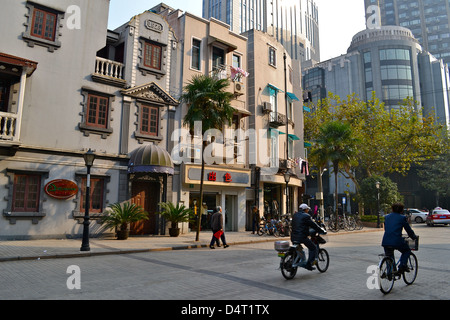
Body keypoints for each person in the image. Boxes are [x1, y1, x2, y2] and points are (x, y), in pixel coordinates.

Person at [382, 203, 418, 273]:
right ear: (401, 211)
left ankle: (390, 272)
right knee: (406, 250)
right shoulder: (402, 218)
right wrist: (413, 237)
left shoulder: (387, 217)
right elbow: (408, 230)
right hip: (396, 240)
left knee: (389, 255)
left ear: (392, 209)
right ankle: (402, 265)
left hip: (386, 241)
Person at [291, 203, 327, 270]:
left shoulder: (295, 215)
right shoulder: (306, 216)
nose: (308, 210)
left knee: (298, 249)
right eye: (307, 209)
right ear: (305, 209)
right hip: (302, 237)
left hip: (293, 237)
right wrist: (322, 230)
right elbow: (314, 225)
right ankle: (309, 264)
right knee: (313, 248)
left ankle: (296, 261)